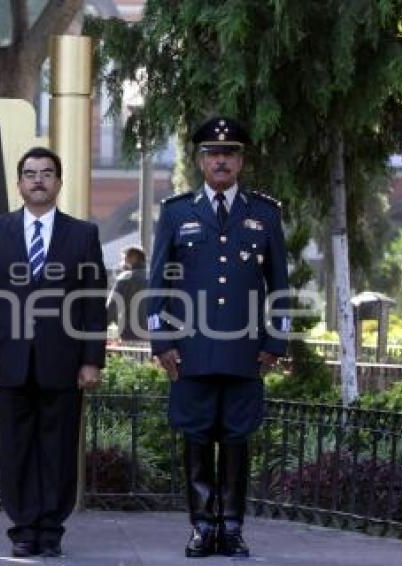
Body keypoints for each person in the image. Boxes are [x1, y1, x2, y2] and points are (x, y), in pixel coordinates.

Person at [146, 117, 289, 558]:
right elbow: (158, 284)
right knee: (195, 436)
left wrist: (275, 342)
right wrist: (161, 342)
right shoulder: (177, 211)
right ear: (200, 160)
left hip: (245, 351)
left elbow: (279, 284)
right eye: (212, 153)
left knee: (236, 438)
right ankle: (201, 526)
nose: (221, 160)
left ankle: (231, 526)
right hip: (190, 351)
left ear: (241, 160)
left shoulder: (264, 213)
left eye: (229, 153)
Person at [0, 146, 107, 558]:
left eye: (47, 173)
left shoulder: (83, 234)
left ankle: (51, 528)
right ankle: (24, 529)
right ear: (19, 183)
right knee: (16, 449)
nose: (39, 180)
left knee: (59, 449)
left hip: (63, 362)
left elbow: (92, 303)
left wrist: (91, 360)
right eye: (30, 174)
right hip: (8, 361)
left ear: (59, 183)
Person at [106, 245, 148, 341]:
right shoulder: (153, 277)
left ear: (133, 258)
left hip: (131, 337)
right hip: (153, 337)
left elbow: (111, 308)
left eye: (124, 259)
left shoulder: (125, 279)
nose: (121, 264)